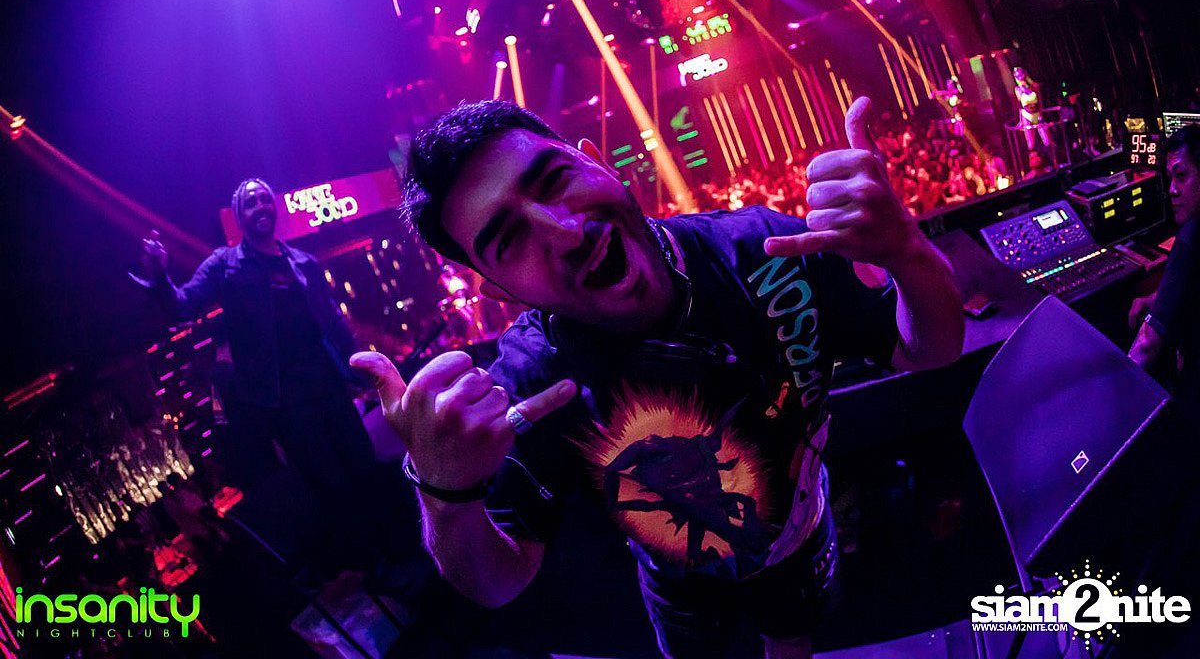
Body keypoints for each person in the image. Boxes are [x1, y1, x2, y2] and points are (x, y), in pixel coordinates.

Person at [352, 97, 962, 658]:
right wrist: (445, 492)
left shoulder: (762, 249)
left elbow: (927, 350)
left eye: (555, 179)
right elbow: (497, 583)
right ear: (499, 292)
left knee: (792, 642)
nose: (565, 233)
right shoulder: (534, 380)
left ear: (597, 162)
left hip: (797, 534)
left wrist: (905, 252)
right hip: (678, 585)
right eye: (510, 241)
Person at [136, 178, 382, 571]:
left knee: (363, 464)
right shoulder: (225, 265)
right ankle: (368, 568)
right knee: (328, 482)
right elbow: (183, 305)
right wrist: (161, 276)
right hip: (284, 400)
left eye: (265, 200)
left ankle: (393, 553)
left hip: (328, 384)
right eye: (250, 203)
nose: (260, 207)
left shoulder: (302, 262)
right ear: (239, 217)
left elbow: (332, 322)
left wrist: (361, 364)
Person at [1129, 125, 1200, 395]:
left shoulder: (1191, 237)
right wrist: (1158, 298)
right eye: (1170, 178)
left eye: (1181, 176)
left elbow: (1147, 346)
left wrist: (1117, 396)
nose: (1172, 190)